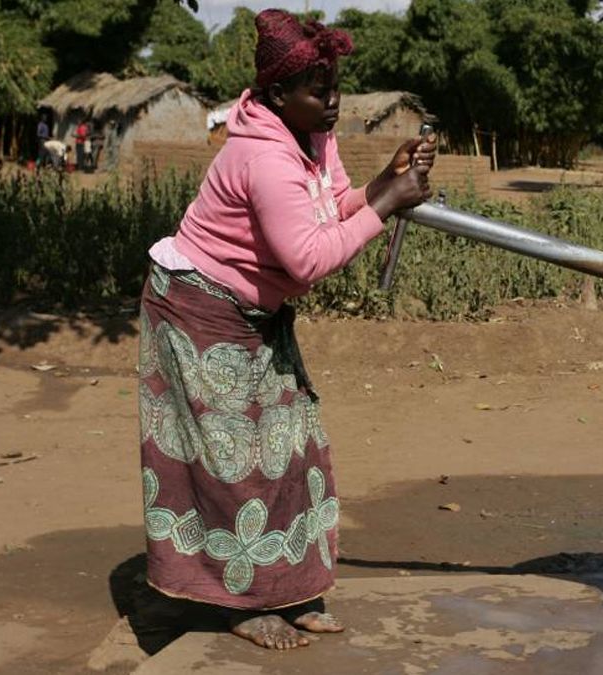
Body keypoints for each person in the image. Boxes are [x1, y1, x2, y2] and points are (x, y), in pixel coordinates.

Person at [138, 8, 436, 651]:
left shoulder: (309, 136)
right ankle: (241, 602)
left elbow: (331, 210)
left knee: (293, 449)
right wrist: (388, 203)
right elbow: (309, 258)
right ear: (277, 95)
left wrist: (386, 181)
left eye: (335, 89)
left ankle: (290, 588)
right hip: (198, 312)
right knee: (233, 465)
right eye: (318, 92)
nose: (332, 103)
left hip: (253, 313)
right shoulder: (261, 157)